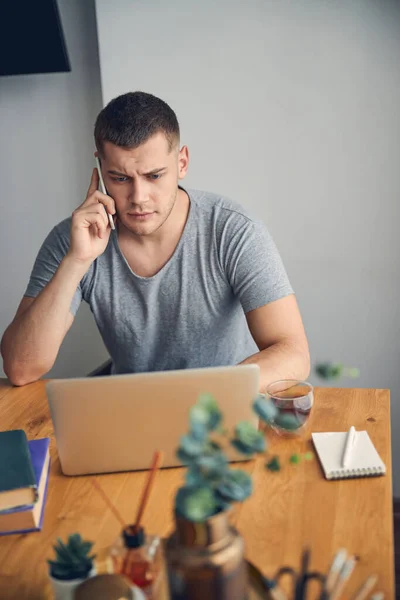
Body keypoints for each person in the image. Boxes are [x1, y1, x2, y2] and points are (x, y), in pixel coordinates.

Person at [1, 91, 309, 388]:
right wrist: (77, 261)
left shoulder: (232, 230)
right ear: (100, 169)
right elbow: (20, 368)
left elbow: (293, 354)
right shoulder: (74, 239)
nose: (138, 198)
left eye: (154, 176)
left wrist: (208, 394)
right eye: (120, 178)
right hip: (131, 414)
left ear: (182, 163)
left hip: (222, 409)